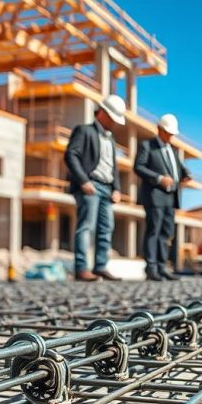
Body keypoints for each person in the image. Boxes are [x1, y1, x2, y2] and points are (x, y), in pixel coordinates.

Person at [63, 94, 126, 281]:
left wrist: (116, 188)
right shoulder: (84, 131)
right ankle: (81, 268)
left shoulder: (111, 140)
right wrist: (83, 181)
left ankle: (100, 267)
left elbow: (113, 167)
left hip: (107, 189)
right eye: (112, 118)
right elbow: (71, 155)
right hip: (90, 185)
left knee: (106, 228)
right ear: (102, 113)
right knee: (86, 227)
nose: (114, 123)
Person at [134, 113, 192, 281]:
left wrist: (186, 176)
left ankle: (161, 266)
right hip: (155, 196)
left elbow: (180, 170)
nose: (170, 136)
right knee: (154, 230)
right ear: (159, 129)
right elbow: (139, 167)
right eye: (168, 133)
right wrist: (159, 178)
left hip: (170, 198)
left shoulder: (172, 151)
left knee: (166, 233)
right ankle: (151, 267)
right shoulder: (147, 146)